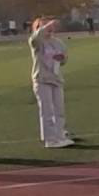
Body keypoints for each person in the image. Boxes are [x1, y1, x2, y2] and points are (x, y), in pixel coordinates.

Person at [29, 18, 74, 149]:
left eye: (50, 26)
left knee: (59, 110)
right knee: (47, 111)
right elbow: (35, 38)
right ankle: (50, 140)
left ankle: (60, 136)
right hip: (42, 80)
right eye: (44, 26)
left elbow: (64, 59)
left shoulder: (57, 42)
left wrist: (62, 58)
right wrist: (46, 26)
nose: (49, 29)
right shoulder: (37, 42)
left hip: (56, 79)